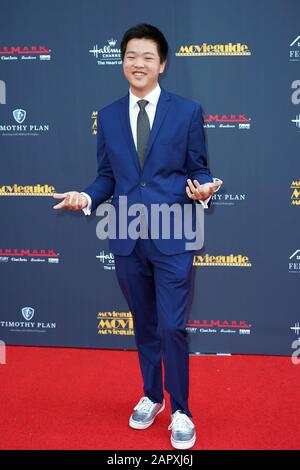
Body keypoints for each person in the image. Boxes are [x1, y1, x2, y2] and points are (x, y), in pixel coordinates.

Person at [53, 23, 222, 450]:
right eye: (131, 56)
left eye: (148, 56)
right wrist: (86, 198)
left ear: (162, 64)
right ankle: (151, 396)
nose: (138, 63)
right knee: (144, 325)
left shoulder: (187, 111)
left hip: (174, 235)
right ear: (122, 62)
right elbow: (107, 177)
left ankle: (180, 408)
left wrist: (202, 189)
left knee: (172, 325)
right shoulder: (107, 116)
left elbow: (198, 168)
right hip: (126, 236)